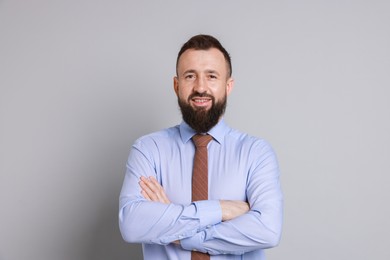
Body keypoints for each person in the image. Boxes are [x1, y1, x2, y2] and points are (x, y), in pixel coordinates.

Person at [119, 34, 283, 259]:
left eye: (212, 76)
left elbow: (267, 231)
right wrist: (220, 210)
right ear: (177, 85)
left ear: (228, 86)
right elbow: (132, 224)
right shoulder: (148, 150)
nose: (200, 88)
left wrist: (175, 227)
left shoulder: (256, 153)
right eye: (190, 76)